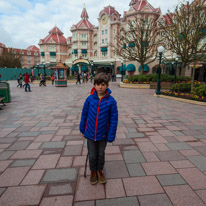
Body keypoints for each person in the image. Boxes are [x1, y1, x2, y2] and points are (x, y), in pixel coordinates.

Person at [80, 72, 118, 185]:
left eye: (102, 84)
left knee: (101, 154)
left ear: (107, 85)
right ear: (94, 85)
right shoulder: (89, 99)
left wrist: (111, 135)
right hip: (90, 133)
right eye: (97, 84)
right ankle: (93, 171)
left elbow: (113, 120)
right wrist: (82, 129)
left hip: (103, 134)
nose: (100, 87)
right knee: (92, 154)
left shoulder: (111, 101)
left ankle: (99, 171)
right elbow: (84, 115)